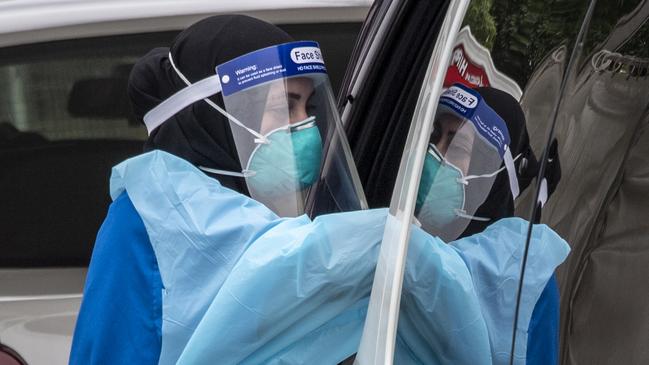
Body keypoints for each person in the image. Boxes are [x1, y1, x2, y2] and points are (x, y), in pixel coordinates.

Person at [69, 14, 367, 365]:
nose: (306, 126)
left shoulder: (263, 207)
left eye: (307, 107)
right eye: (285, 106)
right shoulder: (159, 218)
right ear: (217, 114)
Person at [415, 83, 563, 365]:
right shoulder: (397, 234)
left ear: (490, 169)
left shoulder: (526, 275)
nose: (437, 155)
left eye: (456, 145)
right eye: (435, 137)